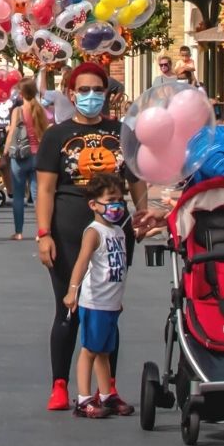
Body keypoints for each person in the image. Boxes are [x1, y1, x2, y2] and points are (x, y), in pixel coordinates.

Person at [35, 60, 151, 414]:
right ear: (71, 94)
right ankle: (60, 384)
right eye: (83, 90)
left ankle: (107, 387)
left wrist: (142, 216)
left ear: (107, 93)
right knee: (68, 308)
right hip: (69, 233)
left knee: (108, 310)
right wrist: (43, 233)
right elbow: (45, 189)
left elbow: (136, 181)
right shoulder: (57, 135)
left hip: (116, 233)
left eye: (97, 90)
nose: (90, 96)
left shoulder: (122, 134)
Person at [63, 174, 133, 419]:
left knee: (104, 350)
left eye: (120, 200)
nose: (118, 205)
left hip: (111, 303)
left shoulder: (119, 232)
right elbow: (82, 262)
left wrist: (117, 300)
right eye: (111, 200)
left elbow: (116, 269)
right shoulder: (94, 232)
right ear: (93, 204)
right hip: (94, 303)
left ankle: (106, 395)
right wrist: (72, 291)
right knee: (89, 350)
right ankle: (83, 399)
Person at [3, 78, 48, 240]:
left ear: (21, 94)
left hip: (20, 156)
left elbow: (12, 132)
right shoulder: (40, 109)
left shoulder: (18, 111)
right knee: (38, 196)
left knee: (19, 196)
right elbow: (45, 132)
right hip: (38, 156)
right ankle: (40, 231)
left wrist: (5, 152)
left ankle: (19, 232)